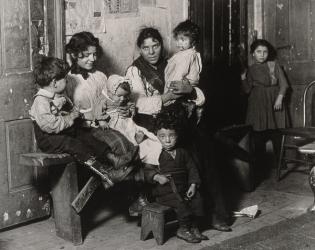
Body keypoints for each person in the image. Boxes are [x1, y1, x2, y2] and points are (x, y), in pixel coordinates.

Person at [126, 27, 231, 231]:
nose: (151, 51)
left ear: (162, 45)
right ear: (140, 49)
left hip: (181, 121)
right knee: (184, 152)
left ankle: (218, 213)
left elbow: (201, 93)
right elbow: (137, 104)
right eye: (146, 47)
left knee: (206, 149)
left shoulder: (178, 60)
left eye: (155, 45)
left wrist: (191, 90)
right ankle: (192, 218)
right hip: (152, 124)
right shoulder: (135, 70)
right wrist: (165, 98)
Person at [30, 56, 135, 188]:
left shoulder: (60, 95)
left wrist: (77, 115)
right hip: (49, 139)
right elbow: (51, 126)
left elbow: (69, 115)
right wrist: (71, 116)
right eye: (65, 79)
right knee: (76, 145)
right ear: (54, 82)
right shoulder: (41, 101)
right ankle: (106, 174)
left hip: (62, 132)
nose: (67, 82)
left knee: (87, 136)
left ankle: (113, 158)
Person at [64, 31, 140, 172]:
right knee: (118, 143)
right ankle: (117, 182)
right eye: (87, 55)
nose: (92, 59)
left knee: (135, 140)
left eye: (94, 54)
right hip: (86, 129)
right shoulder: (68, 81)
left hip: (108, 122)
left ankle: (134, 187)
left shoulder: (101, 76)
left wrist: (124, 109)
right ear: (74, 55)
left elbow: (113, 100)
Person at [147, 109, 208, 243]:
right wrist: (156, 176)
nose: (167, 140)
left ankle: (193, 227)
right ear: (156, 136)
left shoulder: (182, 152)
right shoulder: (155, 153)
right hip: (165, 191)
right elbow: (146, 170)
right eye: (162, 136)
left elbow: (192, 169)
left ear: (178, 135)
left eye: (172, 136)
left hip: (184, 186)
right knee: (181, 203)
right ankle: (183, 229)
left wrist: (193, 184)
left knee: (198, 199)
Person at [241, 39, 289, 173]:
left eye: (265, 52)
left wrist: (279, 98)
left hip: (274, 100)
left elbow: (284, 84)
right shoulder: (250, 69)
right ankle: (260, 165)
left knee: (276, 133)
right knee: (258, 134)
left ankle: (280, 162)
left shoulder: (274, 65)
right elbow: (247, 90)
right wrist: (243, 78)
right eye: (258, 52)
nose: (262, 54)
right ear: (253, 54)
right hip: (257, 103)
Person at [101, 74, 162, 165]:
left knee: (134, 128)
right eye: (119, 96)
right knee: (124, 134)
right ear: (110, 92)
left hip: (125, 120)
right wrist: (101, 120)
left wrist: (131, 110)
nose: (122, 99)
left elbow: (129, 106)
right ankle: (134, 144)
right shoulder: (104, 100)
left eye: (125, 96)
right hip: (114, 122)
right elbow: (98, 111)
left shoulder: (123, 99)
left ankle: (140, 139)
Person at [164, 20, 203, 121]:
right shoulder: (189, 53)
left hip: (180, 89)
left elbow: (179, 73)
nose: (178, 43)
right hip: (187, 90)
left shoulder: (187, 55)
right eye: (177, 39)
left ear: (193, 41)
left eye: (183, 40)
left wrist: (170, 90)